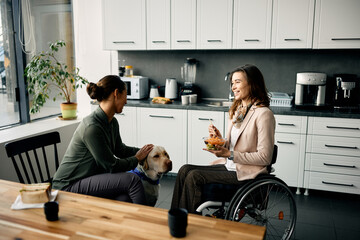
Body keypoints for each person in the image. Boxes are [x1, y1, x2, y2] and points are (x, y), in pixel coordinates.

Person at [171, 64, 275, 213]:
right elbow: (234, 144)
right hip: (229, 166)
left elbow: (265, 157)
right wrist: (219, 140)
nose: (233, 87)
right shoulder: (239, 110)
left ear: (252, 83)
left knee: (194, 176)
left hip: (246, 173)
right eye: (232, 83)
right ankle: (175, 219)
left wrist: (230, 155)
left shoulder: (264, 114)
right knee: (184, 170)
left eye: (238, 82)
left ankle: (187, 222)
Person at [52, 75, 153, 204]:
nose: (126, 101)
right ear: (116, 93)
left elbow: (120, 149)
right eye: (125, 96)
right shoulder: (92, 127)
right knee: (132, 180)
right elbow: (111, 166)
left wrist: (148, 152)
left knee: (124, 198)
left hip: (89, 178)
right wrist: (137, 158)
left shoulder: (112, 122)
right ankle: (145, 223)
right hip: (67, 186)